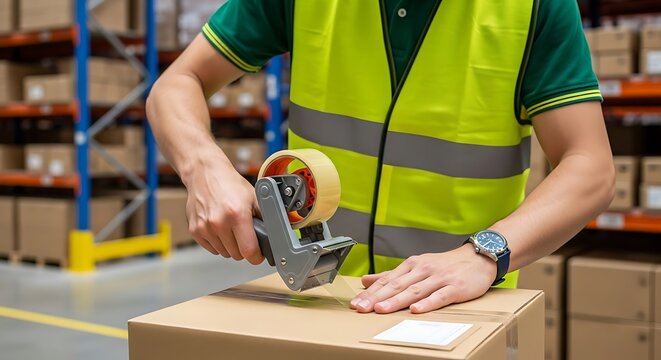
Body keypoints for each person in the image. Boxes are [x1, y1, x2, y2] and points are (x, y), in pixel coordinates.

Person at [146, 0, 614, 314]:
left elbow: (589, 166)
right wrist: (204, 169)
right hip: (320, 301)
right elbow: (177, 83)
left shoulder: (533, 8)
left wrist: (484, 254)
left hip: (457, 308)